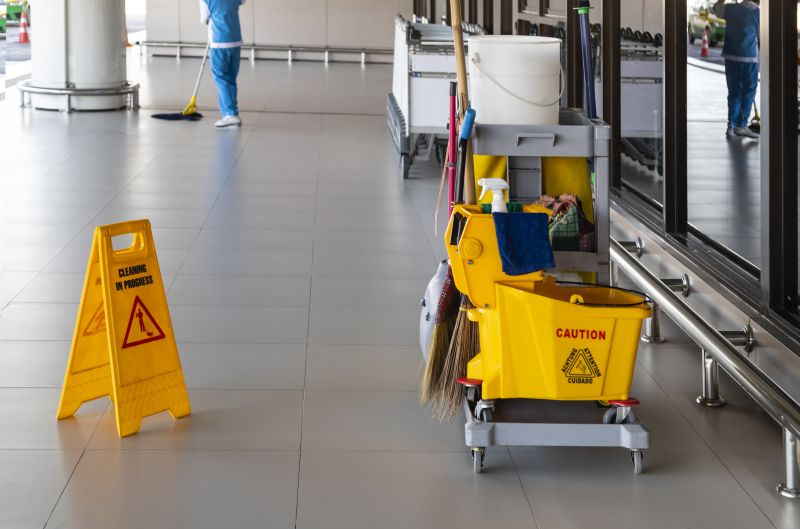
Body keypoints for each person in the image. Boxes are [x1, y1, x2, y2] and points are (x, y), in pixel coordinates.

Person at [200, 0, 246, 128]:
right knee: (231, 79)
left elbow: (204, 19)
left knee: (221, 78)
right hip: (236, 41)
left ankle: (230, 115)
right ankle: (233, 113)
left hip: (219, 42)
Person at [721, 0, 760, 139]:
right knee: (748, 90)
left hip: (730, 56)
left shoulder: (730, 8)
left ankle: (731, 125)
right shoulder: (757, 12)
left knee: (734, 92)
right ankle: (741, 125)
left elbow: (716, 9)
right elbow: (762, 37)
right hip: (749, 58)